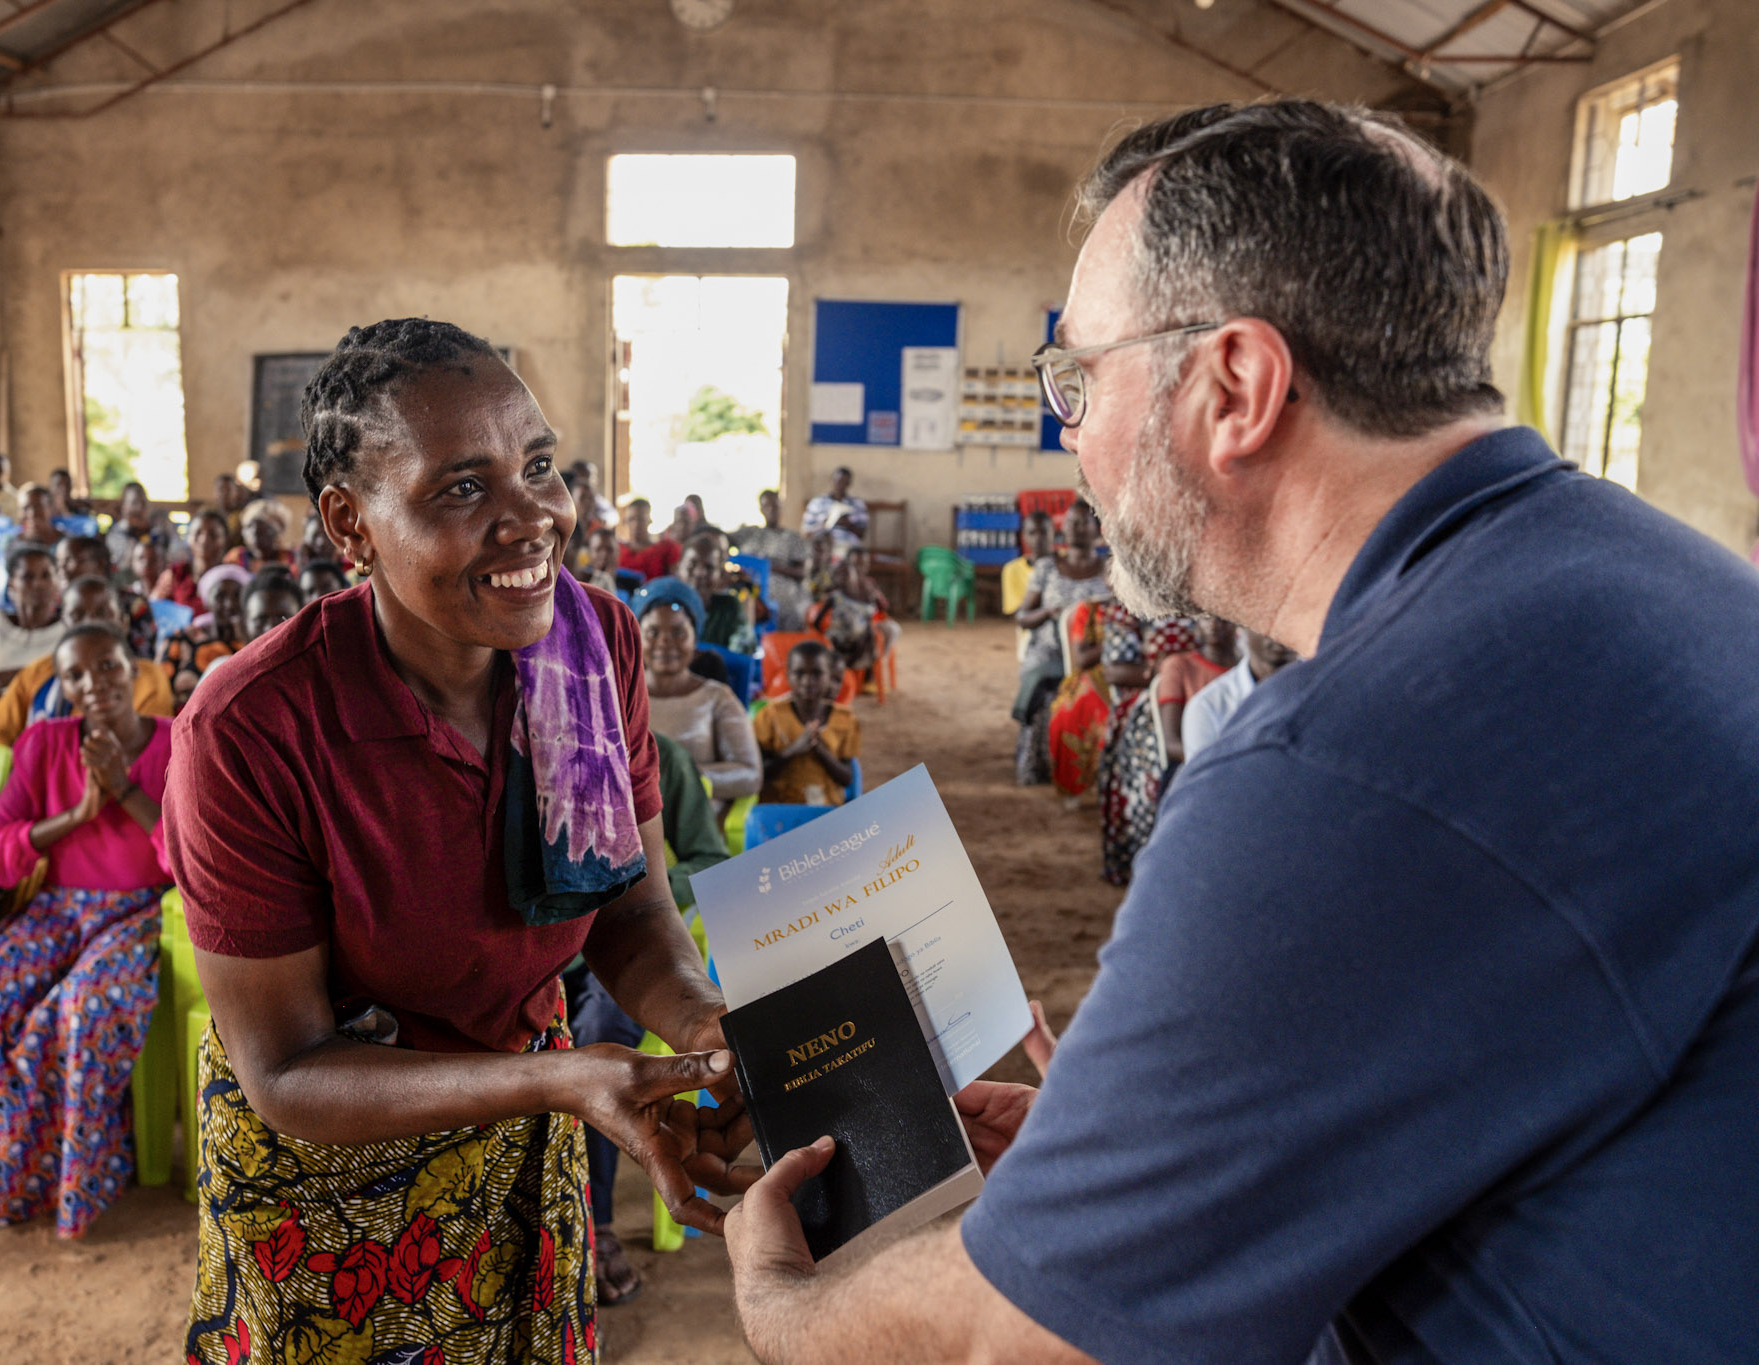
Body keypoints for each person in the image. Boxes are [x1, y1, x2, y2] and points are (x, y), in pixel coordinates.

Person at [726, 99, 1759, 1365]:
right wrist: (1155, 1156)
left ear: (1234, 387)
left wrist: (780, 1303)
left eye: (1077, 378)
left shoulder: (1339, 763)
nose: (1072, 435)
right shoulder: (1650, 578)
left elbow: (1028, 1341)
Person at [163, 318, 753, 1364]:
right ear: (349, 523)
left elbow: (628, 909)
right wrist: (555, 1081)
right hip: (327, 1191)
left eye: (538, 465)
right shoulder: (252, 726)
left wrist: (703, 1029)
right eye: (461, 488)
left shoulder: (592, 646)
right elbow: (287, 1070)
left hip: (526, 1144)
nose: (533, 519)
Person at [0, 622, 173, 1241]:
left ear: (134, 670)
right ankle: (1, 1184)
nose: (94, 684)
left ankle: (82, 1181)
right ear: (62, 687)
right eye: (75, 675)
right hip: (57, 908)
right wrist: (72, 817)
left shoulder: (178, 744)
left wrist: (123, 790)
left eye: (108, 667)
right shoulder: (44, 744)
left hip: (140, 910)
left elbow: (194, 856)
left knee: (84, 1009)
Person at [563, 733, 729, 1306]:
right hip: (534, 959)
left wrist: (632, 894)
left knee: (597, 1042)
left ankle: (597, 1225)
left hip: (615, 951)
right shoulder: (506, 743)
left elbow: (709, 856)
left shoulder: (658, 754)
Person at [0, 577, 174, 747]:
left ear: (123, 622)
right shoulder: (41, 671)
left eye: (102, 613)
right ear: (63, 623)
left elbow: (146, 748)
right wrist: (24, 767)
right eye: (77, 615)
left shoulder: (147, 677)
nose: (90, 622)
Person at [636, 579, 762, 816]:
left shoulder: (717, 697)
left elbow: (750, 774)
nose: (664, 642)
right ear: (638, 639)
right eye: (653, 633)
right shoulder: (618, 696)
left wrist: (682, 778)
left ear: (696, 640)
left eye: (678, 633)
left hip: (697, 830)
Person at [1094, 606, 1196, 884]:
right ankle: (1150, 869)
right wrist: (1175, 676)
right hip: (1147, 704)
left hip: (1208, 687)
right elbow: (1115, 671)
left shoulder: (1210, 600)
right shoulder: (1128, 608)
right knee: (1151, 750)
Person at [1012, 505, 1114, 785]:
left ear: (1097, 529)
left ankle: (1095, 770)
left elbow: (1122, 615)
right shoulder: (1047, 567)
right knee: (1044, 690)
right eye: (1070, 523)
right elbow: (1022, 617)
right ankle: (1037, 766)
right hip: (1049, 650)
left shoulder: (1110, 571)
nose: (1075, 528)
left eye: (1083, 523)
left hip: (1094, 655)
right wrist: (1047, 613)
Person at [753, 640, 859, 807]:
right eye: (799, 673)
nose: (808, 681)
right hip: (778, 810)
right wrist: (793, 750)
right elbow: (758, 775)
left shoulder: (844, 719)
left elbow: (847, 778)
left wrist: (820, 750)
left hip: (826, 808)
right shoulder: (769, 716)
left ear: (830, 676)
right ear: (788, 675)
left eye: (817, 673)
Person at [0, 544, 64, 691]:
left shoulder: (68, 630)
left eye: (46, 576)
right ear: (11, 585)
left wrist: (14, 677)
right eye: (28, 577)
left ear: (57, 583)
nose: (38, 584)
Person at [1181, 628, 1297, 762]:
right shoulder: (1208, 706)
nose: (1280, 630)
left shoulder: (1322, 691)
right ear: (1244, 625)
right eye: (1269, 619)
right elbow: (1206, 780)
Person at [1154, 617, 1241, 767]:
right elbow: (1171, 743)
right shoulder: (1178, 666)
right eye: (1205, 617)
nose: (1213, 623)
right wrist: (1222, 762)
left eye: (1221, 617)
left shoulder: (1247, 671)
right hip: (1196, 766)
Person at [159, 564, 249, 709]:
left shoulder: (251, 641)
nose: (230, 604)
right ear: (207, 602)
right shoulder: (182, 639)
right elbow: (161, 689)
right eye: (220, 597)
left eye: (237, 595)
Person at [56, 535, 156, 663]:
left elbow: (143, 657)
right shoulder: (58, 606)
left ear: (100, 563)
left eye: (69, 560)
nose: (62, 568)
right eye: (59, 561)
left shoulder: (131, 604)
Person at [808, 544, 896, 676]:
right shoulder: (837, 592)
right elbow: (819, 619)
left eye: (864, 564)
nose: (860, 568)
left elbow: (883, 608)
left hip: (867, 627)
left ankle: (870, 670)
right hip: (844, 634)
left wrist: (876, 594)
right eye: (856, 564)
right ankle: (850, 669)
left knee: (887, 630)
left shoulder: (870, 584)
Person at [733, 489, 812, 627]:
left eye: (775, 505)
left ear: (781, 508)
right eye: (767, 506)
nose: (771, 510)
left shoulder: (791, 538)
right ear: (761, 509)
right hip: (748, 589)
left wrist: (768, 566)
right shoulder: (749, 534)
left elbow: (802, 572)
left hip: (782, 591)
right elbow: (723, 541)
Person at [679, 529, 755, 653]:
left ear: (720, 574)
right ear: (678, 568)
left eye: (709, 567)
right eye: (692, 564)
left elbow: (742, 652)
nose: (700, 573)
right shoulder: (665, 604)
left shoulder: (729, 607)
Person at [153, 508, 231, 610]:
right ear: (189, 538)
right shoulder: (175, 574)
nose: (204, 540)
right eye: (198, 533)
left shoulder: (231, 577)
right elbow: (155, 609)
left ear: (225, 540)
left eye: (212, 534)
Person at [104, 481, 180, 570]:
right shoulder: (116, 534)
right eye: (134, 503)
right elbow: (122, 565)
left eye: (143, 503)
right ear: (123, 507)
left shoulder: (158, 528)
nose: (139, 508)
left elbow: (178, 550)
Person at [1004, 511, 1057, 615]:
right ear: (1023, 536)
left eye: (1043, 532)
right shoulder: (1012, 570)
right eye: (1032, 533)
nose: (1038, 538)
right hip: (1030, 628)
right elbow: (1017, 612)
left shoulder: (1065, 563)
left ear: (1053, 533)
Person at [800, 465, 868, 546]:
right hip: (822, 545)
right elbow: (806, 533)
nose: (840, 485)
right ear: (831, 480)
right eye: (837, 481)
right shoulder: (817, 502)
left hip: (847, 546)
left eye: (844, 482)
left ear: (848, 484)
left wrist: (848, 524)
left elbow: (862, 535)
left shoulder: (857, 504)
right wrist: (825, 524)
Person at [616, 496, 681, 580]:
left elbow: (674, 580)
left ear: (650, 520)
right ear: (625, 521)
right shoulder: (616, 549)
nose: (636, 524)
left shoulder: (665, 548)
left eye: (641, 519)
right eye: (631, 519)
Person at [228, 501, 296, 575]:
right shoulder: (237, 557)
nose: (255, 540)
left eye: (262, 534)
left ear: (277, 534)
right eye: (250, 531)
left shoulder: (291, 557)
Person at [46, 469, 96, 538]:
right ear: (51, 487)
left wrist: (64, 509)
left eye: (67, 485)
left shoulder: (80, 506)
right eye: (59, 485)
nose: (64, 489)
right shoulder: (44, 507)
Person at [11, 483, 60, 554]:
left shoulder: (68, 543)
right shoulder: (11, 544)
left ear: (51, 509)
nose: (32, 514)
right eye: (25, 508)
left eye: (38, 506)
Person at [568, 458, 618, 527]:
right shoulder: (565, 500)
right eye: (582, 498)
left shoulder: (597, 500)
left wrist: (600, 521)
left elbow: (612, 515)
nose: (587, 502)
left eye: (592, 478)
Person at [579, 525, 620, 595]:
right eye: (598, 549)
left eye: (609, 550)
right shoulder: (580, 579)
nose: (604, 555)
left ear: (617, 552)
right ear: (590, 553)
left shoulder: (630, 583)